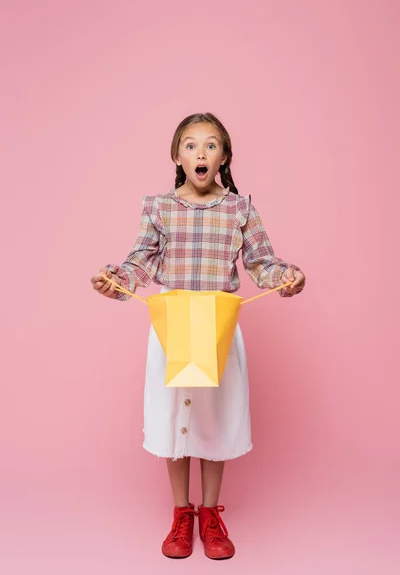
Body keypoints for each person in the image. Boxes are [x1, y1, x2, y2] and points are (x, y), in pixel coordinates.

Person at [90, 112, 306, 560]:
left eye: (211, 145)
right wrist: (116, 279)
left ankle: (210, 514)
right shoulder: (159, 206)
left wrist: (286, 276)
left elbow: (262, 262)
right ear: (177, 155)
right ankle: (180, 513)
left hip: (218, 325)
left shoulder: (240, 208)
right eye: (190, 145)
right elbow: (140, 262)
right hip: (172, 325)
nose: (200, 152)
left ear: (224, 156)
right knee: (173, 416)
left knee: (213, 416)